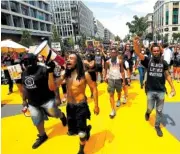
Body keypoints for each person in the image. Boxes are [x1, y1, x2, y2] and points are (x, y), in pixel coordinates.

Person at [56, 53, 100, 154]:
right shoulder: (66, 74)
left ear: (77, 62)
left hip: (81, 106)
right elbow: (56, 85)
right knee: (72, 132)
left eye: (71, 58)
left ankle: (81, 150)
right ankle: (86, 130)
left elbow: (94, 89)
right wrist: (52, 72)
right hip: (70, 106)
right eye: (67, 58)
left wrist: (96, 105)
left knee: (81, 133)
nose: (68, 60)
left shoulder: (85, 75)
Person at [21, 53, 67, 149]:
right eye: (25, 62)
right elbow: (24, 87)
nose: (27, 64)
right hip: (33, 102)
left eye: (28, 61)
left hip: (47, 99)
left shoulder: (43, 70)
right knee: (37, 119)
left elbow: (53, 85)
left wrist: (50, 71)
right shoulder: (24, 73)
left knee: (54, 113)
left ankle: (62, 116)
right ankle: (42, 135)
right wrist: (24, 100)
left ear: (34, 61)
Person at [133, 37, 176, 137]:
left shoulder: (164, 63)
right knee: (150, 107)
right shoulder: (148, 61)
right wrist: (135, 43)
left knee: (159, 111)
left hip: (161, 90)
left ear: (160, 51)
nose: (156, 52)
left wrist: (172, 87)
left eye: (157, 51)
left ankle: (157, 126)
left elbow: (168, 75)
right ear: (152, 52)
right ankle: (147, 112)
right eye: (154, 51)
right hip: (150, 90)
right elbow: (138, 53)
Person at [104, 48, 125, 118]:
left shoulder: (120, 61)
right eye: (111, 52)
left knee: (119, 91)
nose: (113, 54)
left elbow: (122, 71)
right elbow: (105, 69)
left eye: (114, 52)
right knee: (111, 94)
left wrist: (124, 81)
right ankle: (113, 110)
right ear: (110, 53)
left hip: (118, 79)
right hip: (111, 79)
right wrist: (104, 77)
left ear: (116, 54)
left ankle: (118, 100)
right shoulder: (107, 62)